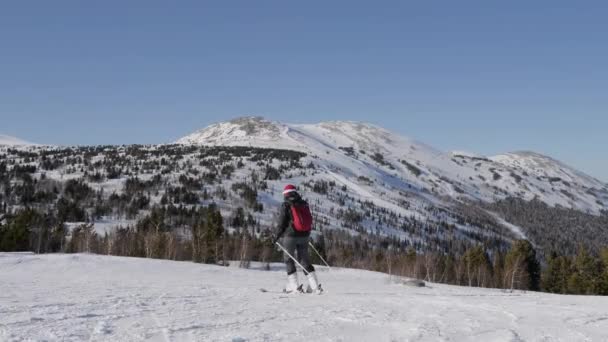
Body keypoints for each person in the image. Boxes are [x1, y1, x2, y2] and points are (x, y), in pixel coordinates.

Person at [273, 184, 323, 294]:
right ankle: (315, 286)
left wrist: (276, 236)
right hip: (305, 235)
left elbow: (281, 223)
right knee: (304, 261)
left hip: (290, 236)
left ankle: (294, 286)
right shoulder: (303, 203)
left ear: (286, 194)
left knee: (289, 259)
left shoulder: (286, 204)